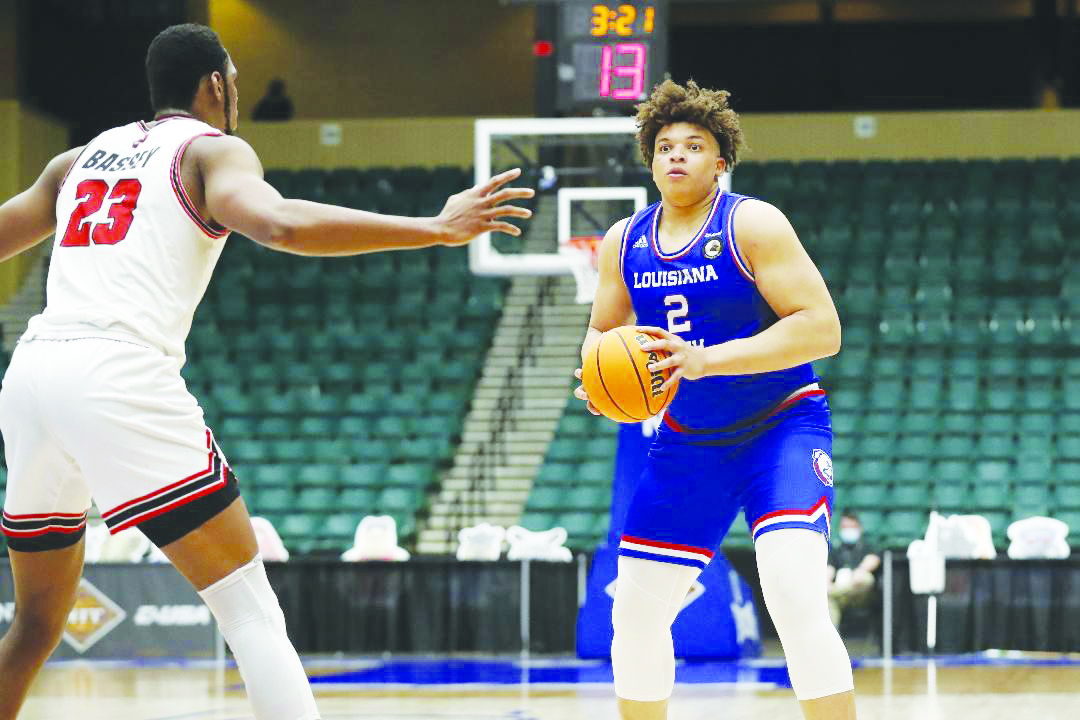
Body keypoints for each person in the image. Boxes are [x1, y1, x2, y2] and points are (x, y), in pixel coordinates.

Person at [0, 23, 532, 720]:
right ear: (217, 84)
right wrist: (432, 227)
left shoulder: (77, 160)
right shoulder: (210, 149)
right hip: (115, 373)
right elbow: (279, 223)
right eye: (236, 86)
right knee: (248, 606)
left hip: (32, 377)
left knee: (36, 624)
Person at [573, 79, 855, 720]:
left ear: (719, 161)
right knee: (637, 613)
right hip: (688, 441)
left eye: (693, 146)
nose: (676, 156)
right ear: (650, 160)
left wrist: (706, 361)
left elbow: (821, 328)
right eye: (664, 146)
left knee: (792, 592)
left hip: (778, 428)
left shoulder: (751, 223)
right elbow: (603, 333)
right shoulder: (624, 240)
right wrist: (598, 377)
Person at [827, 513, 880, 628]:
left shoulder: (867, 545)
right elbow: (829, 569)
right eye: (845, 528)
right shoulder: (836, 548)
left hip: (860, 591)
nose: (848, 530)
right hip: (841, 592)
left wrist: (859, 571)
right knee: (827, 596)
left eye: (851, 527)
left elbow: (873, 559)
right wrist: (827, 582)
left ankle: (833, 591)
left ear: (859, 528)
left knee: (866, 578)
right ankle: (832, 638)